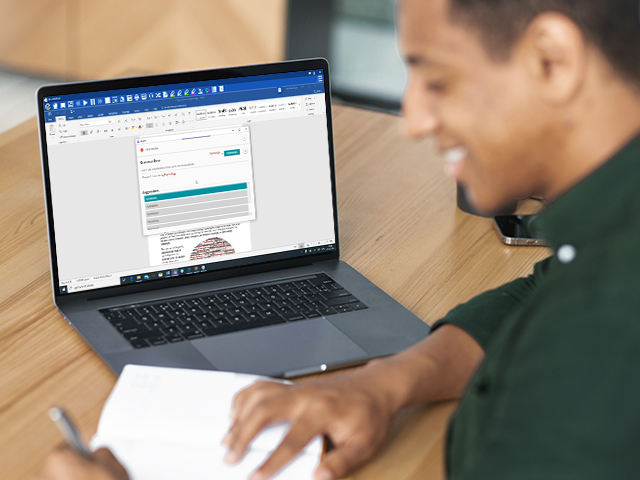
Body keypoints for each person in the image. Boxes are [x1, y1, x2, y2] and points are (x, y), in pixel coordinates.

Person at [36, 0, 640, 479]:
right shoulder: (605, 236)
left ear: (552, 60)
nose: (414, 121)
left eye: (438, 79)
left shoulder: (604, 336)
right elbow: (535, 296)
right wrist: (381, 384)